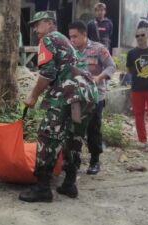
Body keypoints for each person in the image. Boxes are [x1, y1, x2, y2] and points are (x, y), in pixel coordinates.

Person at [19, 11, 98, 202]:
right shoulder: (65, 41)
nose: (35, 29)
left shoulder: (48, 40)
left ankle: (42, 188)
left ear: (49, 24)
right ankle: (69, 184)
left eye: (37, 24)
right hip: (86, 95)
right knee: (73, 136)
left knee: (47, 136)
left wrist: (33, 96)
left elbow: (47, 73)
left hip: (67, 94)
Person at [68, 20, 116, 175]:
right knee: (74, 129)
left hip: (95, 97)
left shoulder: (98, 48)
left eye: (75, 36)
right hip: (76, 97)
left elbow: (111, 66)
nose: (72, 40)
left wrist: (99, 77)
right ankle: (74, 160)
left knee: (93, 128)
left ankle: (95, 160)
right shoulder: (70, 52)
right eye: (70, 37)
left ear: (84, 34)